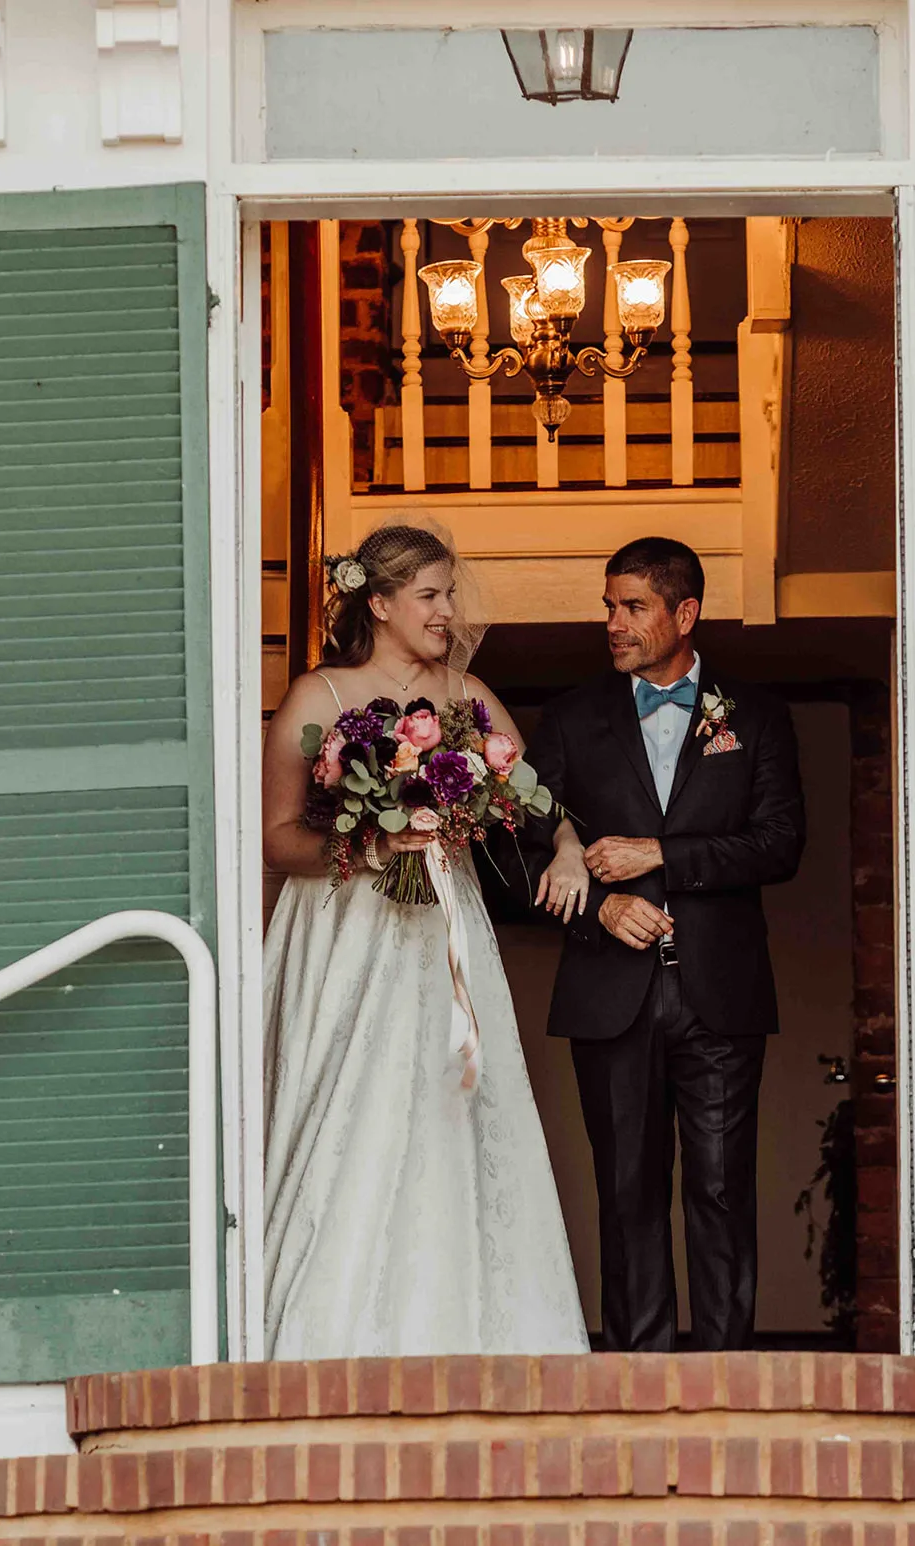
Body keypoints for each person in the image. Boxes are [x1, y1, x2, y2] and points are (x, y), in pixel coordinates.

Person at [259, 522, 588, 1358]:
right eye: (430, 596)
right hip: (346, 929)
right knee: (352, 1100)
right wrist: (370, 845)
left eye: (449, 595)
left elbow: (535, 796)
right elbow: (276, 838)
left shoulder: (465, 694)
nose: (448, 613)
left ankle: (456, 1315)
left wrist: (570, 844)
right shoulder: (320, 696)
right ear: (379, 603)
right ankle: (328, 1321)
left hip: (443, 924)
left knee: (449, 1100)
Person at [526, 536, 805, 1352]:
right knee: (628, 1191)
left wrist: (661, 856)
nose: (612, 622)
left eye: (632, 606)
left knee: (721, 1188)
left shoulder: (755, 717)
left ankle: (727, 1378)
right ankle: (640, 1381)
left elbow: (780, 844)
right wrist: (598, 908)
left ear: (685, 614)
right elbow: (518, 848)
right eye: (609, 605)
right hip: (610, 992)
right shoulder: (572, 719)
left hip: (720, 991)